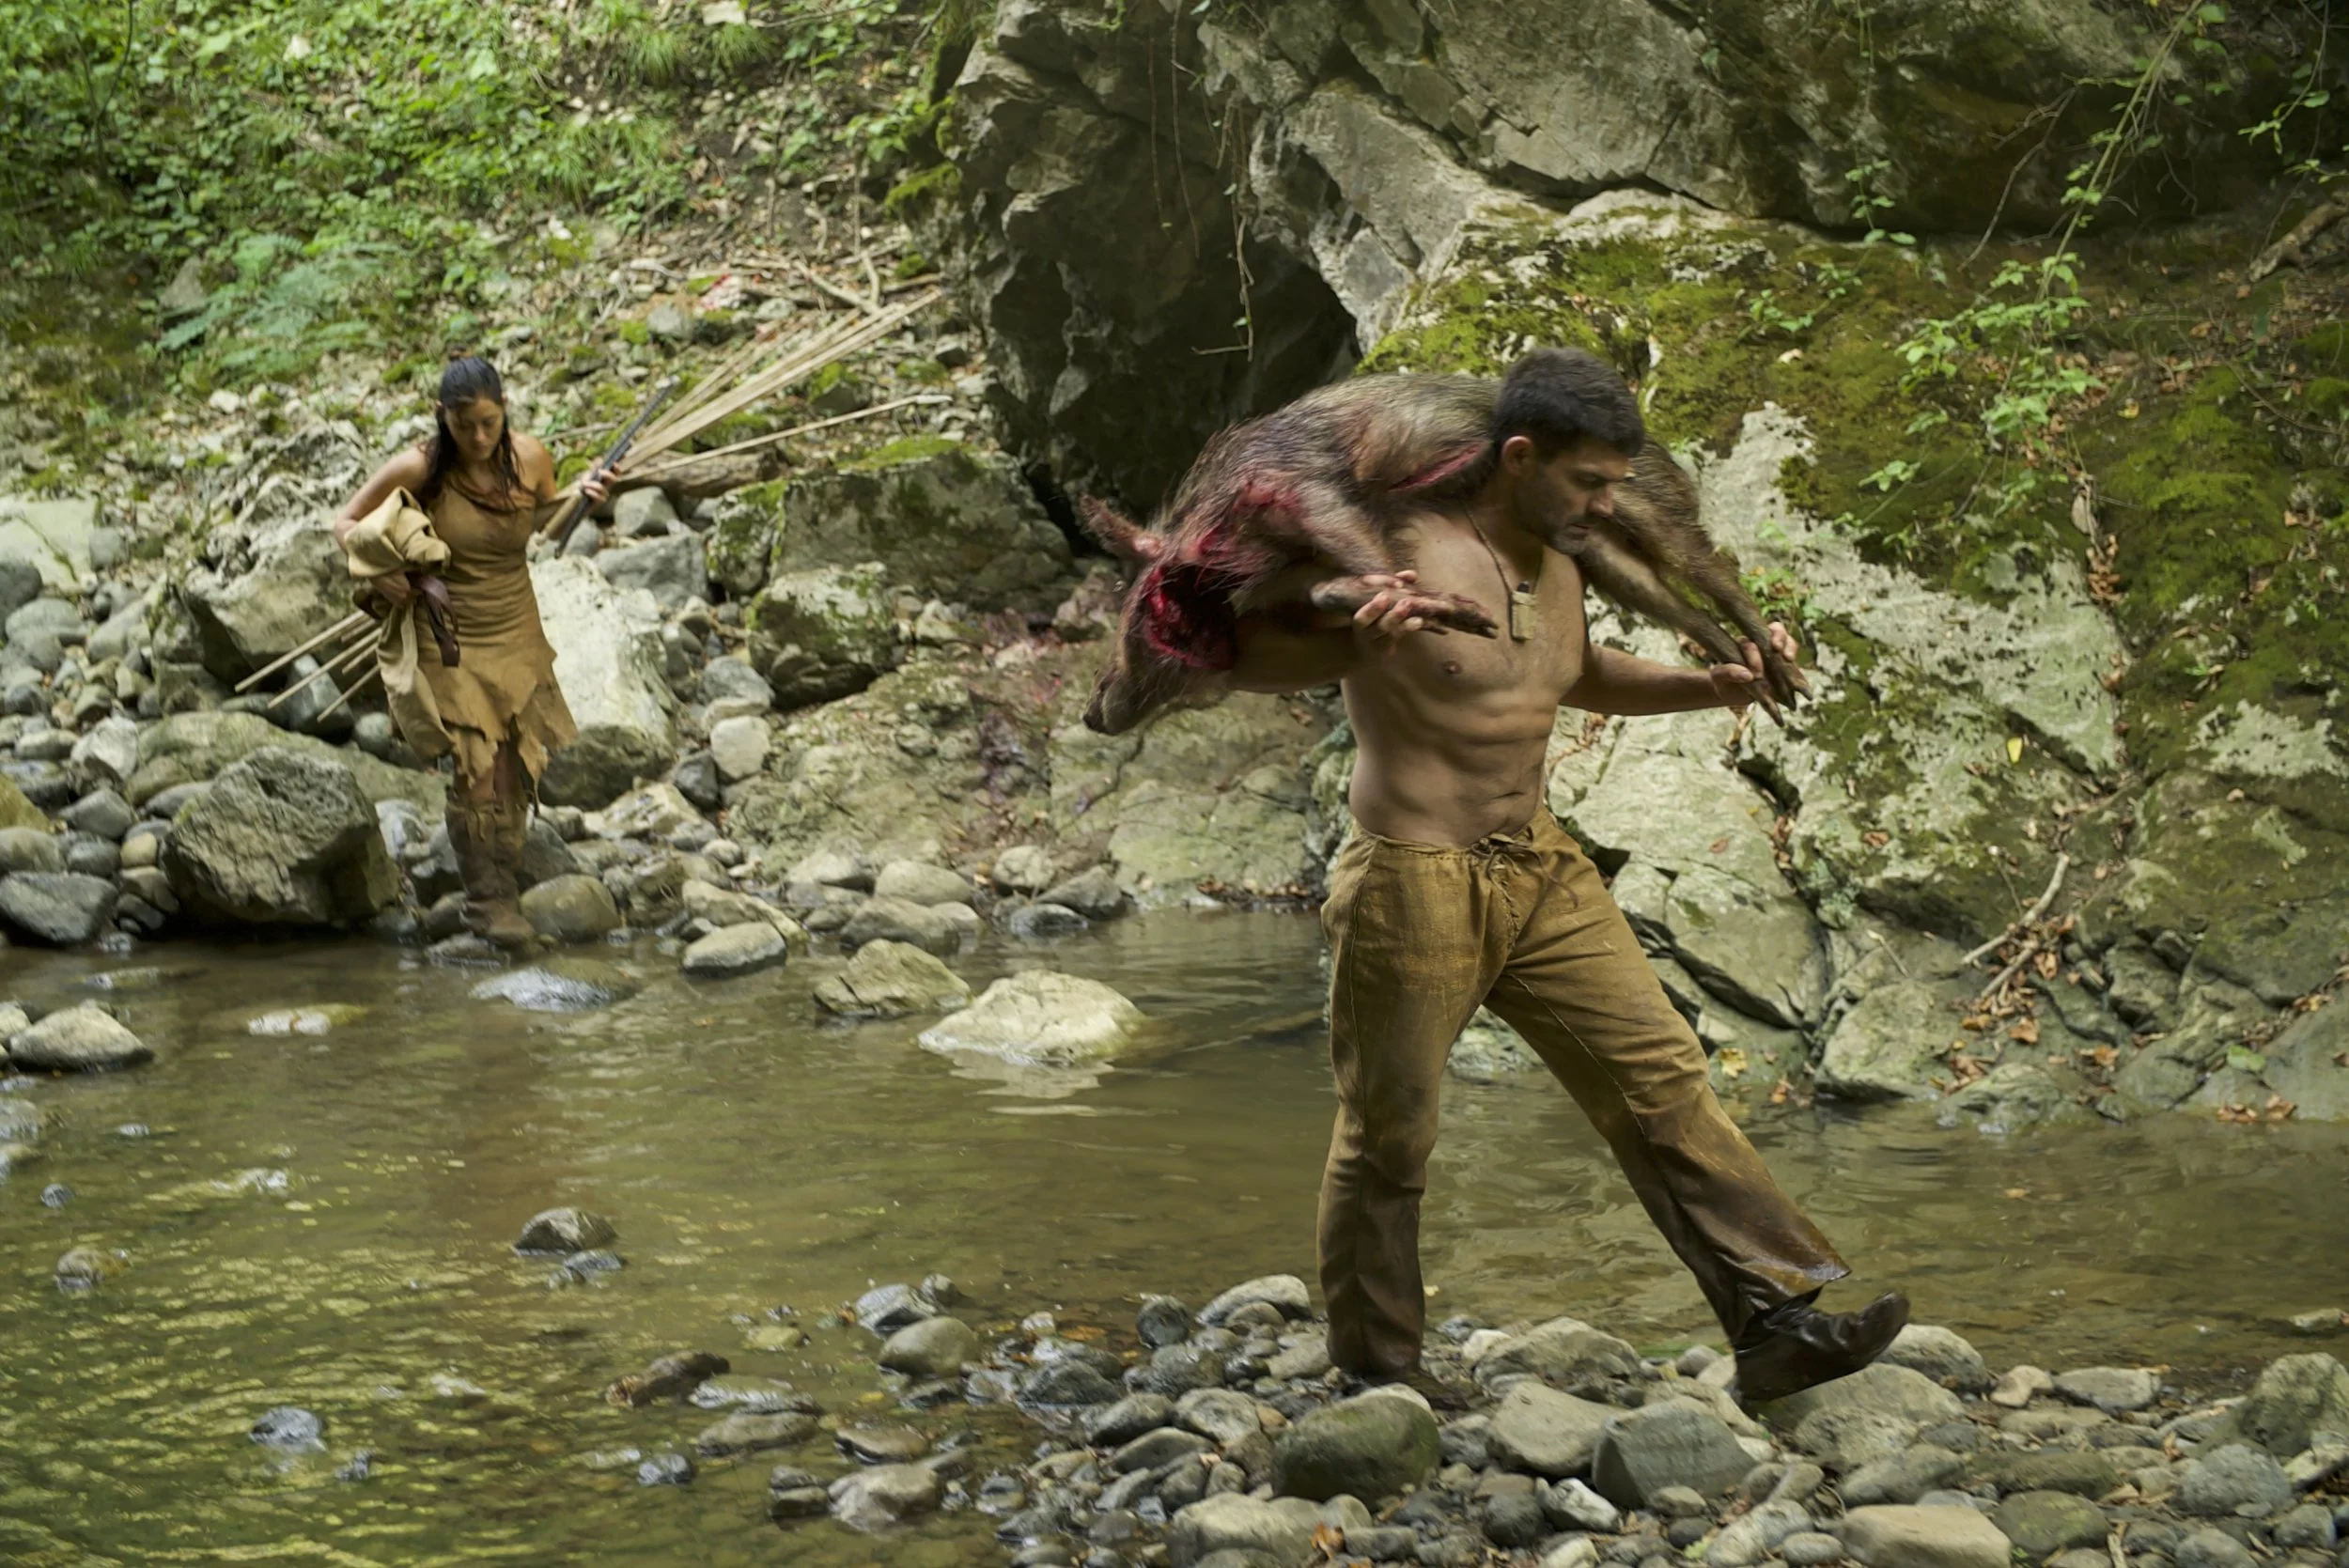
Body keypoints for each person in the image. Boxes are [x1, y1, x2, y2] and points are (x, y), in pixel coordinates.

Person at [1225, 349, 1907, 1406]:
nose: (1605, 502)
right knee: (1390, 1134)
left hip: (1540, 866)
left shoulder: (1561, 558)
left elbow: (1570, 675)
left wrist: (1708, 683)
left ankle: (1774, 1324)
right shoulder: (1396, 545)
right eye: (1587, 481)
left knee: (1661, 1085)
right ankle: (1378, 1368)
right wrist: (1343, 626)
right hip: (1413, 875)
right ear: (1517, 456)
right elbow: (1251, 632)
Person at [334, 355, 606, 948]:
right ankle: (489, 908)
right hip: (449, 630)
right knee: (476, 765)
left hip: (515, 622)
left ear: (505, 409)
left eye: (488, 423)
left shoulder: (530, 457)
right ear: (442, 417)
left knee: (513, 763)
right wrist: (380, 573)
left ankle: (502, 890)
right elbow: (346, 522)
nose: (479, 438)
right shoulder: (419, 466)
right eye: (464, 426)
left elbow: (544, 526)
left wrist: (584, 499)